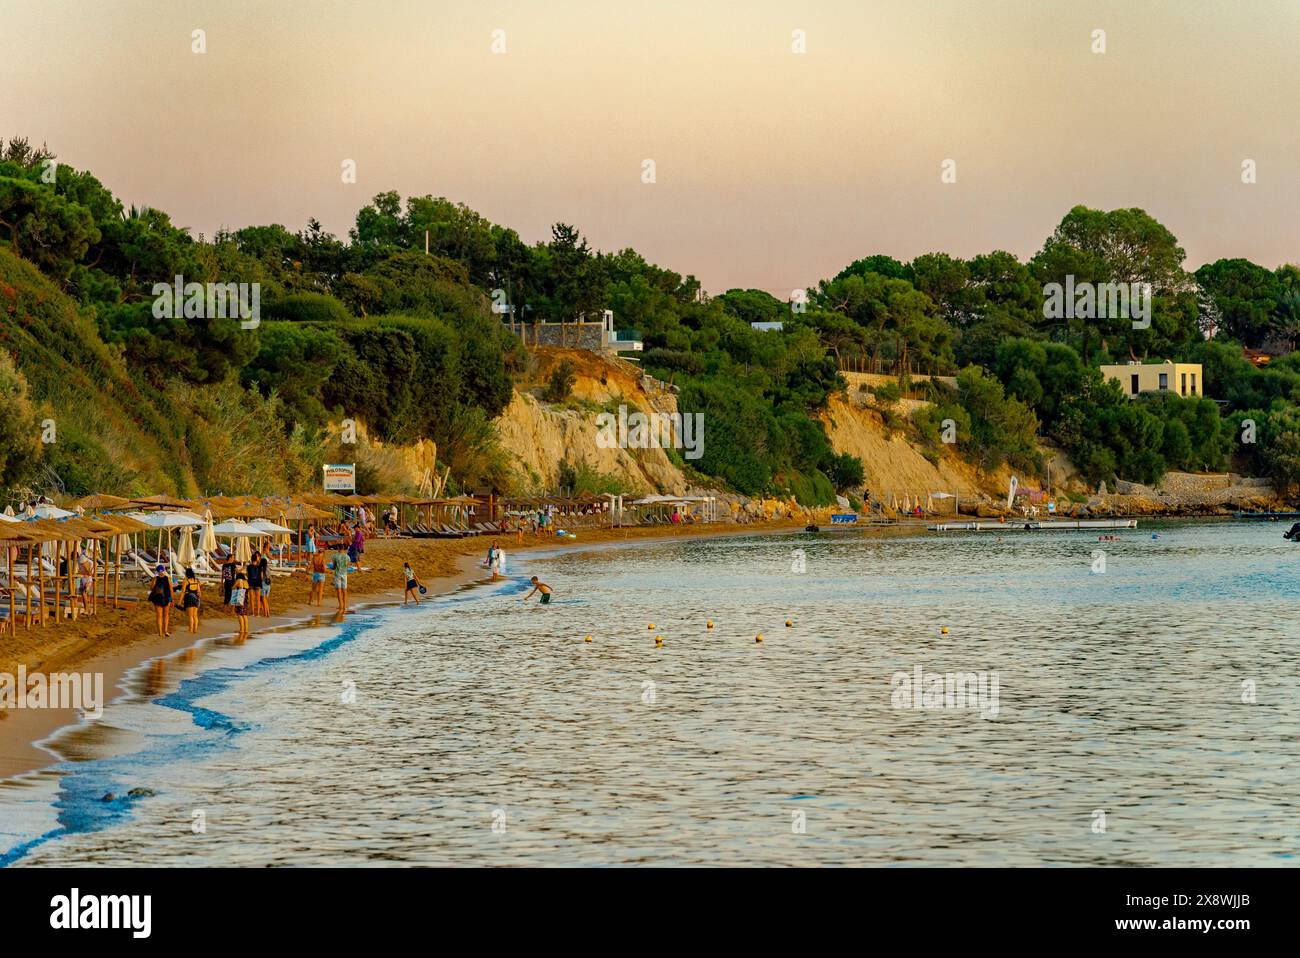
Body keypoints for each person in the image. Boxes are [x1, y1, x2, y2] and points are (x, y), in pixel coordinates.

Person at [147, 564, 173, 637]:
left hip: (158, 598)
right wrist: (172, 599)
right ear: (164, 570)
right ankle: (166, 631)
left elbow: (151, 588)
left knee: (159, 616)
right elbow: (171, 589)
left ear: (157, 571)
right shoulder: (168, 578)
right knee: (166, 615)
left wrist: (154, 580)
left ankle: (160, 633)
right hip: (166, 598)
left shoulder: (155, 578)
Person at [229, 563, 250, 638]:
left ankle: (241, 629)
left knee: (240, 614)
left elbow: (233, 587)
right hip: (246, 599)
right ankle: (246, 629)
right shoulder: (246, 582)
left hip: (240, 599)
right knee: (245, 615)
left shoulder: (239, 580)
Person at [180, 568, 202, 634]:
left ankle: (190, 629)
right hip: (196, 598)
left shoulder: (186, 582)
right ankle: (195, 630)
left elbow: (183, 592)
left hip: (189, 598)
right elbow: (199, 591)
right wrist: (199, 599)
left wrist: (180, 601)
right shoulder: (196, 581)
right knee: (195, 615)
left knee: (190, 616)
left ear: (187, 574)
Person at [329, 545, 350, 613]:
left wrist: (330, 568)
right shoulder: (347, 556)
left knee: (339, 590)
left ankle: (340, 605)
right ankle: (344, 606)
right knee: (344, 591)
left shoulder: (335, 556)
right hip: (344, 574)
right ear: (343, 548)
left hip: (338, 574)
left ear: (338, 548)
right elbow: (347, 565)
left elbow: (334, 566)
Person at [76, 546, 96, 616]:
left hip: (88, 580)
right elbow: (79, 571)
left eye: (83, 564)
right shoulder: (80, 561)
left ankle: (87, 610)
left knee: (84, 594)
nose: (82, 565)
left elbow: (90, 573)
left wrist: (85, 569)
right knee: (84, 595)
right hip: (82, 579)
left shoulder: (90, 563)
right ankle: (86, 609)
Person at [246, 549, 264, 615]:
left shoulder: (249, 567)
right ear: (256, 559)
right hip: (258, 582)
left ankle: (253, 612)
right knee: (258, 599)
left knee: (251, 598)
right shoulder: (260, 566)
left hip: (251, 582)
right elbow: (262, 576)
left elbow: (247, 575)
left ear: (251, 559)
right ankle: (258, 613)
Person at [255, 549, 271, 617]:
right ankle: (267, 613)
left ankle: (265, 613)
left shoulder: (262, 569)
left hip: (263, 585)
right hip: (268, 585)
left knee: (263, 600)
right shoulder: (268, 568)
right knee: (265, 600)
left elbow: (261, 578)